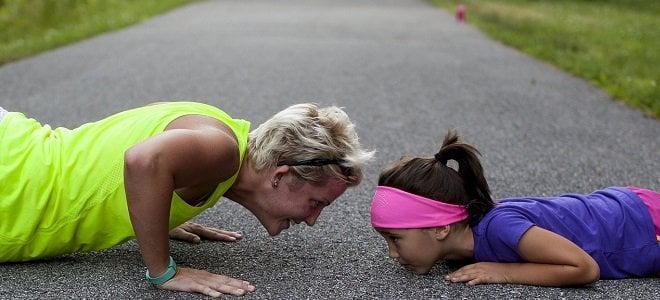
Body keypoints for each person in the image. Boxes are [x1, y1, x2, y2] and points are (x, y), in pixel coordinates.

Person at [0, 101, 374, 297]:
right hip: (12, 181)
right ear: (281, 176)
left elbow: (125, 156)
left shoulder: (221, 136)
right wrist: (165, 271)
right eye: (317, 203)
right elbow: (143, 160)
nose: (313, 220)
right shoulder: (222, 150)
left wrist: (155, 212)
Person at [370, 129, 659, 287]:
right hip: (630, 208)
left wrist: (505, 272)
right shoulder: (464, 241)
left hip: (644, 225)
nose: (392, 253)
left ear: (441, 227)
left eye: (396, 239)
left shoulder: (500, 228)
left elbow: (584, 268)